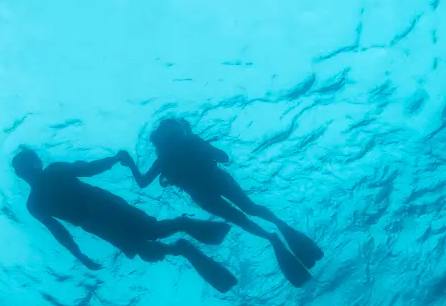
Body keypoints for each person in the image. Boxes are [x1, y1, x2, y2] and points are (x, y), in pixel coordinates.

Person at [121, 117, 323, 288]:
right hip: (212, 189)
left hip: (209, 191)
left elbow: (143, 182)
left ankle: (276, 233)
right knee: (247, 214)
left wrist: (130, 163)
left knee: (246, 214)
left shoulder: (178, 151)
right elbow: (223, 158)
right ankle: (276, 233)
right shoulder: (175, 153)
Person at [11, 148, 239, 294]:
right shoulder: (35, 203)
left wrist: (114, 159)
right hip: (96, 223)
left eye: (24, 163)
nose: (25, 169)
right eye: (21, 166)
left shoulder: (53, 173)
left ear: (32, 164)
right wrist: (80, 256)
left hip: (106, 208)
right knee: (147, 251)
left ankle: (183, 225)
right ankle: (181, 247)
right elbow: (59, 232)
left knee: (153, 231)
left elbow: (89, 169)